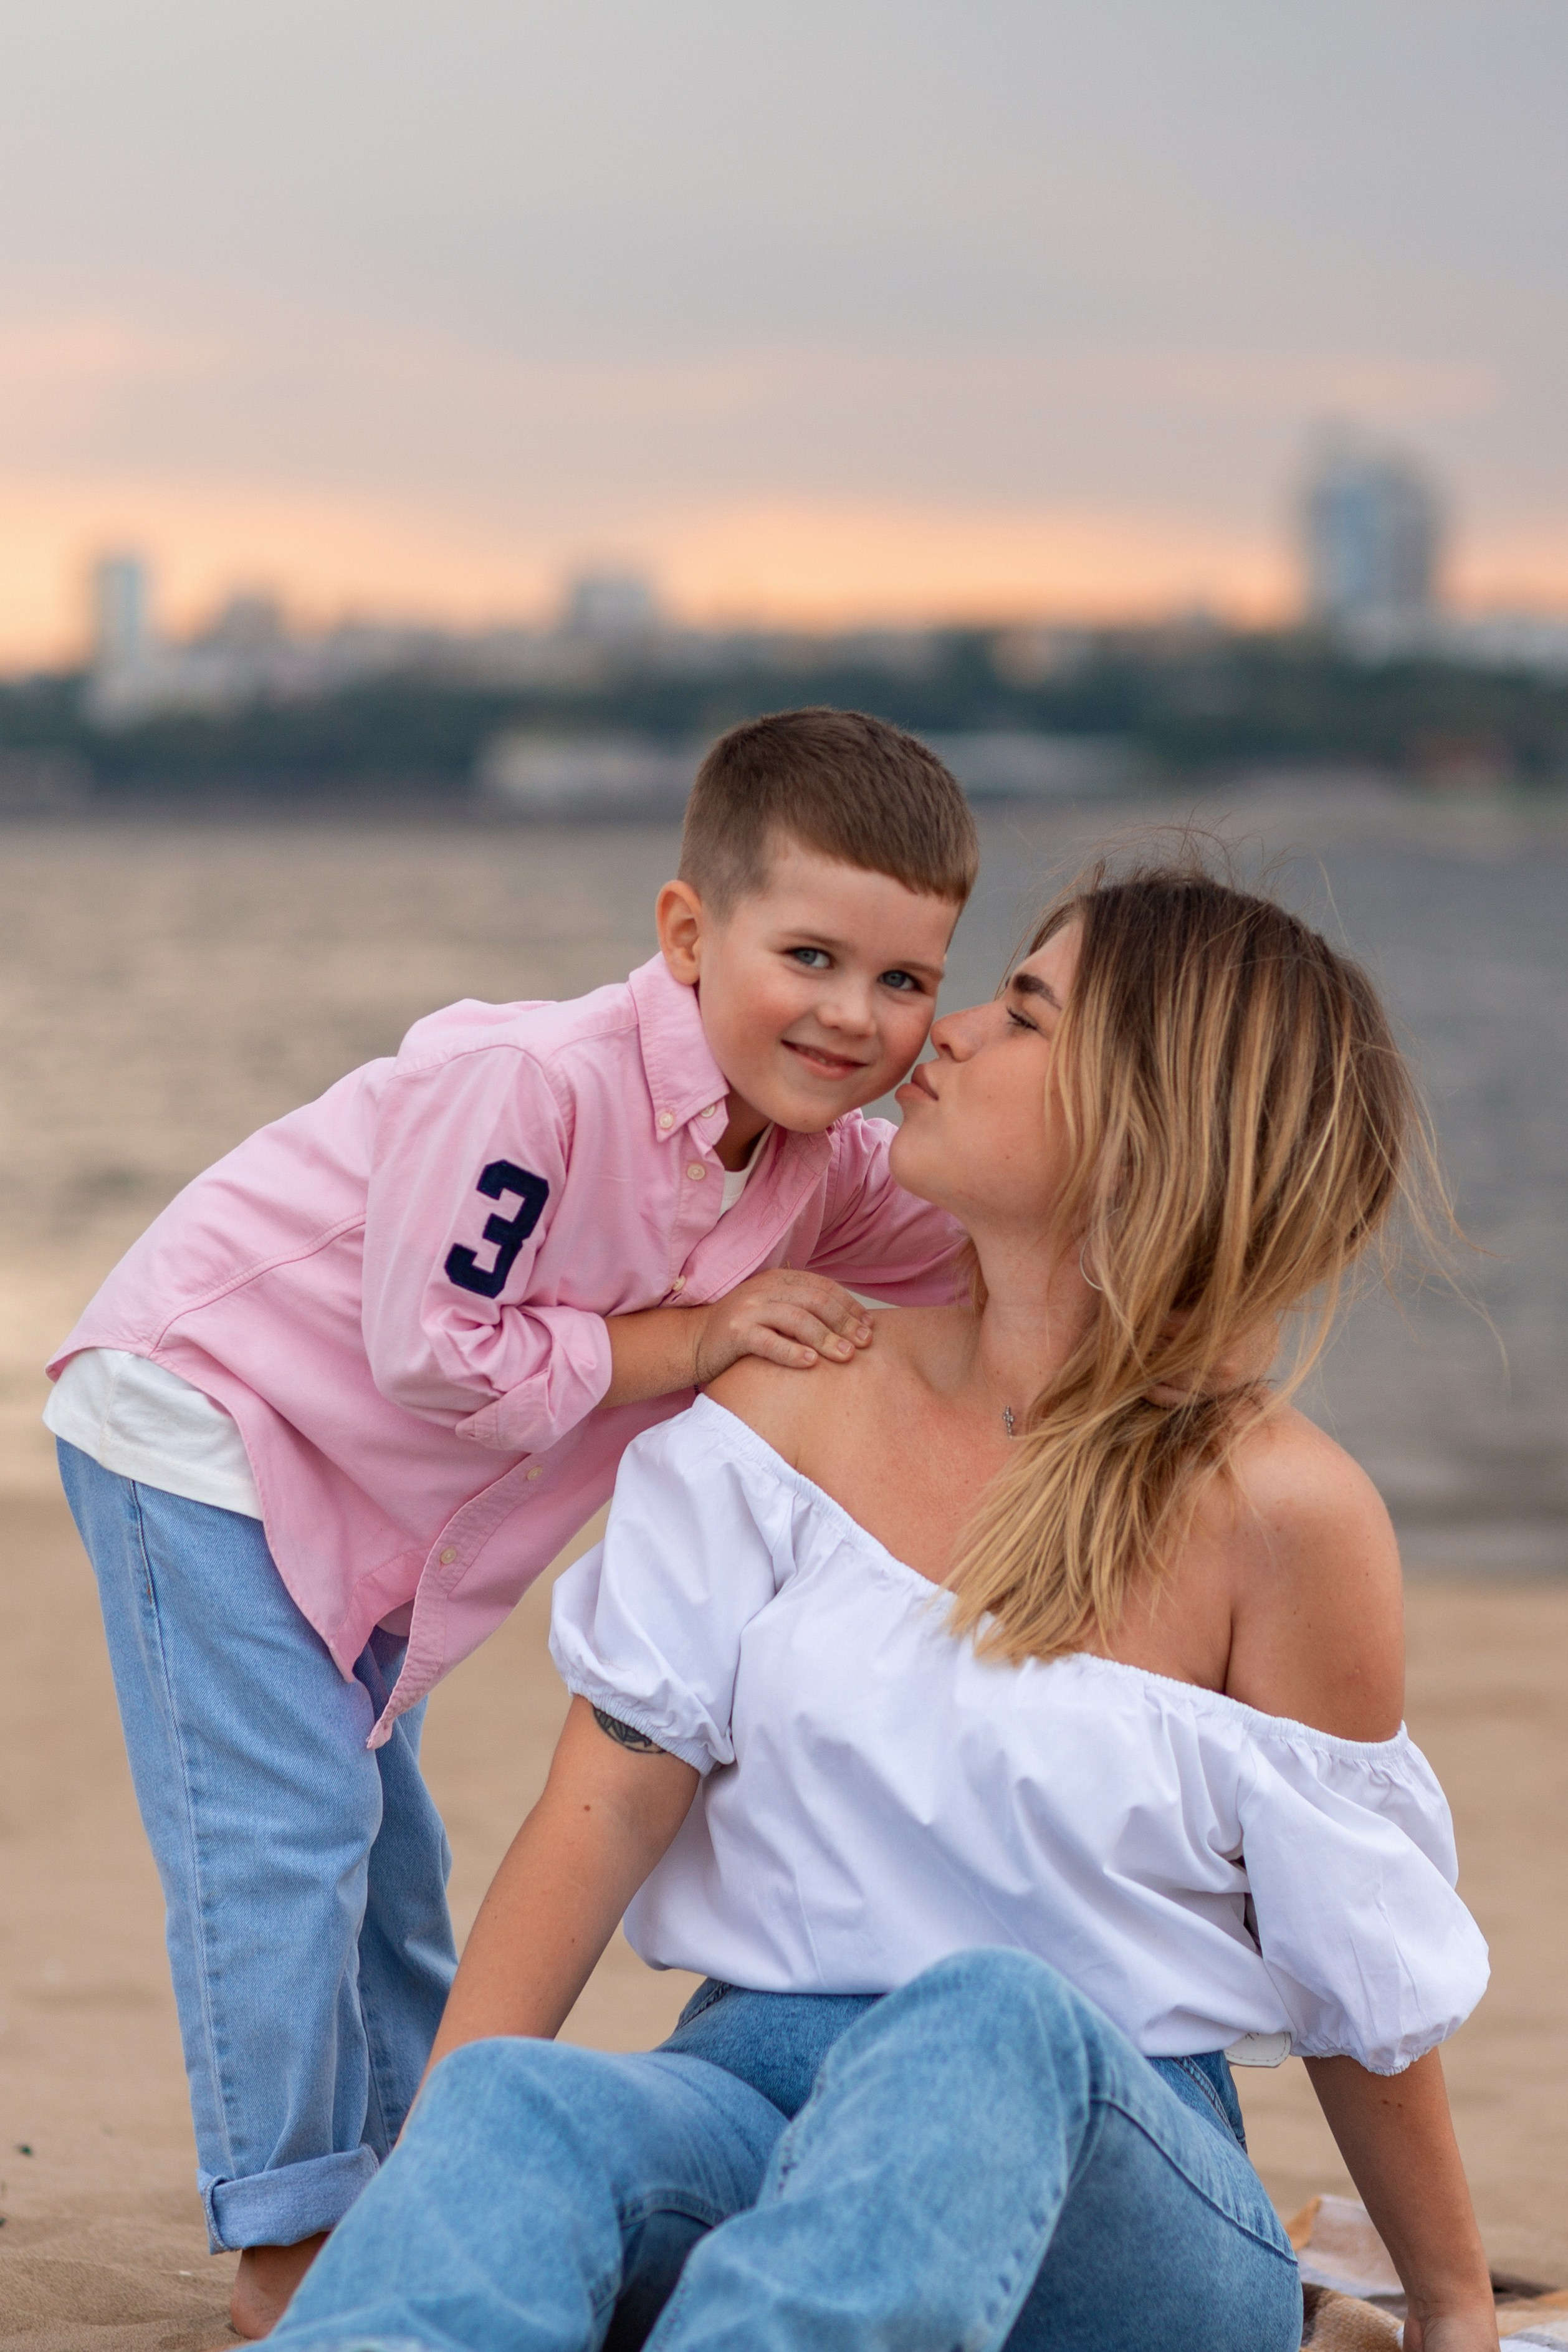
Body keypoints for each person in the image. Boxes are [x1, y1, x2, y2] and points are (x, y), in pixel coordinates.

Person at [269, 854, 1498, 2352]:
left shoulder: (1283, 1512)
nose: (947, 1031)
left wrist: (1448, 2309)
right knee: (520, 2105)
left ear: (1148, 1128)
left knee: (989, 2015)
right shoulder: (789, 1401)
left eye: (1027, 1013)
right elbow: (600, 1813)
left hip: (1098, 2176)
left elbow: (1352, 1977)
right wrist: (435, 2172)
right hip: (747, 2103)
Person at [44, 708, 978, 2337]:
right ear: (687, 931)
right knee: (285, 1839)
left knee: (395, 1870)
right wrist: (691, 1340)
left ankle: (431, 2184)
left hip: (368, 1519)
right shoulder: (530, 1082)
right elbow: (433, 1344)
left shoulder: (812, 1166)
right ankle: (287, 2246)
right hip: (207, 1416)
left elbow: (977, 1251)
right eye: (810, 954)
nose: (850, 1016)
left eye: (904, 982)